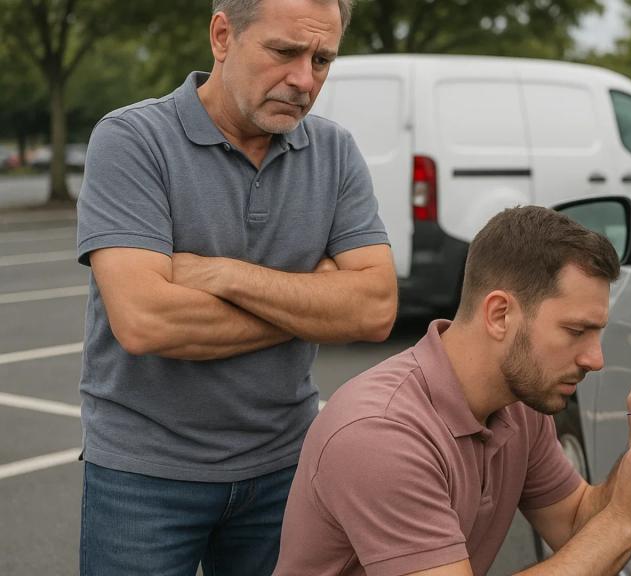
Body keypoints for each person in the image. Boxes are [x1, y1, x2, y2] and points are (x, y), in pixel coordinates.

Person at [74, 0, 396, 574]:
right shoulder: (132, 139)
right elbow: (147, 322)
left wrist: (226, 275)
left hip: (287, 467)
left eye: (322, 59)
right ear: (223, 35)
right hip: (144, 475)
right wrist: (312, 302)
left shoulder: (334, 151)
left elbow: (373, 311)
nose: (304, 79)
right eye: (284, 52)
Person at [274, 206, 631, 576]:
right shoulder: (380, 435)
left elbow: (573, 524)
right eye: (576, 331)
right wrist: (627, 519)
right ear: (499, 314)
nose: (595, 359)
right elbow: (605, 532)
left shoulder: (519, 403)